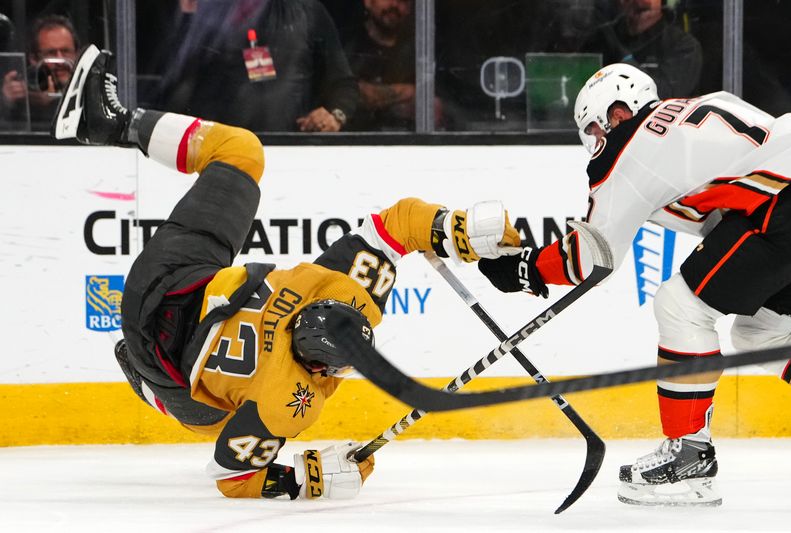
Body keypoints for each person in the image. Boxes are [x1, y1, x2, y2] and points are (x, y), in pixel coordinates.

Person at [53, 45, 521, 500]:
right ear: (319, 365)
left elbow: (399, 223)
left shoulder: (332, 310)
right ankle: (152, 384)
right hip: (162, 340)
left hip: (171, 278)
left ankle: (110, 124)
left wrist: (457, 231)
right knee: (211, 417)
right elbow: (230, 476)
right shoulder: (287, 399)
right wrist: (305, 477)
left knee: (241, 152)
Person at [478, 62, 791, 507]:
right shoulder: (697, 106)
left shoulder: (627, 145)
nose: (595, 141)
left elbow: (587, 255)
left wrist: (526, 268)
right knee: (762, 332)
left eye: (593, 128)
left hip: (782, 206)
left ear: (616, 112)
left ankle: (689, 459)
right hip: (786, 195)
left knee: (680, 307)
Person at [159, 0, 358, 133]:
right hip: (219, 153)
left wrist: (335, 115)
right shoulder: (208, 16)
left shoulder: (308, 12)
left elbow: (342, 84)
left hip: (292, 152)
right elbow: (178, 91)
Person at [581, 0, 702, 98]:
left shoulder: (683, 45)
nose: (638, 2)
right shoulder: (601, 38)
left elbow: (667, 95)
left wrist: (624, 58)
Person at [343, 0, 421, 131]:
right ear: (367, 2)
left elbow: (436, 101)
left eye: (404, 1)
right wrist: (410, 91)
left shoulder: (420, 52)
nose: (395, 5)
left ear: (410, 9)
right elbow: (348, 92)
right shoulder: (346, 44)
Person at [0, 14, 79, 130]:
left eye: (66, 51)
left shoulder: (90, 90)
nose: (60, 60)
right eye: (51, 53)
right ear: (34, 59)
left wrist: (54, 101)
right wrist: (5, 102)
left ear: (77, 54)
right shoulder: (22, 97)